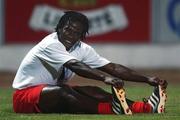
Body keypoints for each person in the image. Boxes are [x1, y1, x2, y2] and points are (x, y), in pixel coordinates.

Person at [12, 11, 168, 114]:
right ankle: (112, 110)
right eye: (67, 29)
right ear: (59, 27)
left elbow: (112, 67)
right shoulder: (50, 44)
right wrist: (104, 78)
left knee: (93, 90)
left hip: (51, 90)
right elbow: (76, 66)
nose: (70, 35)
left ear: (82, 35)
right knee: (64, 92)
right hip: (24, 97)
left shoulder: (82, 48)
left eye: (76, 33)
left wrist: (147, 79)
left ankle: (144, 108)